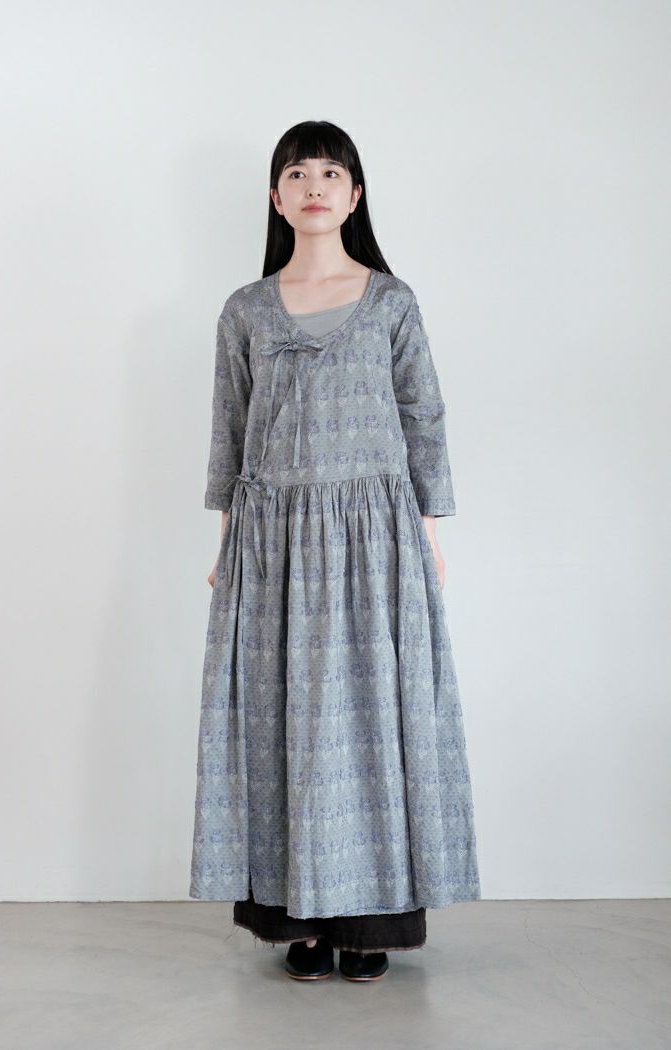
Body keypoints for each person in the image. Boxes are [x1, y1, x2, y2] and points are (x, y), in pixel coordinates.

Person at [189, 120, 481, 983]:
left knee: (369, 719)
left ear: (355, 196)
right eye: (296, 173)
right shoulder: (245, 309)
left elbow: (423, 414)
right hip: (273, 539)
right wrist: (227, 545)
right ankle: (300, 921)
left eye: (330, 172)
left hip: (373, 538)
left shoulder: (392, 302)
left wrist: (427, 535)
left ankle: (369, 924)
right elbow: (229, 428)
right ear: (276, 198)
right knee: (279, 720)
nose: (313, 185)